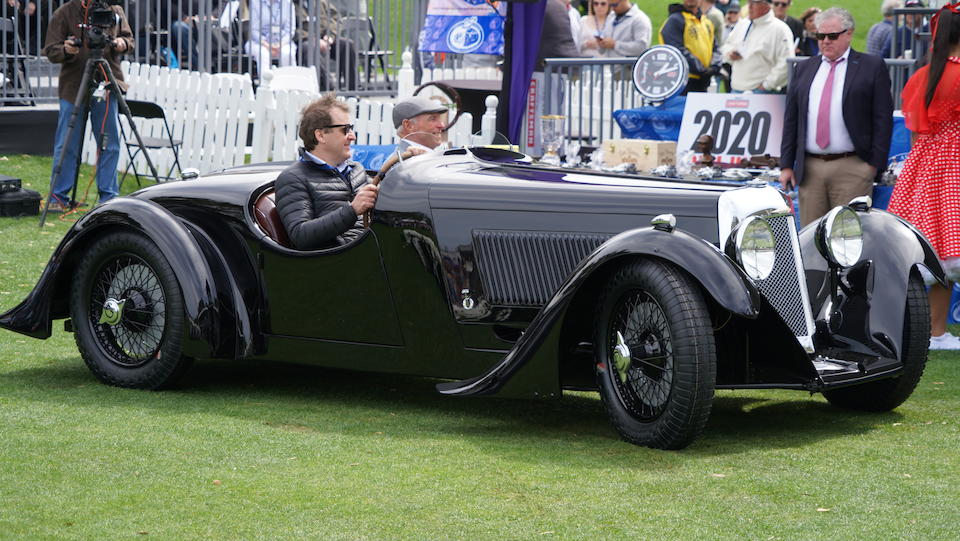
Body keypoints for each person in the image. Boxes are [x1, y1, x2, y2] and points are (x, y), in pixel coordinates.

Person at [887, 3, 960, 349]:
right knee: (949, 248)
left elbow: (916, 132)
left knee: (930, 246)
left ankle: (927, 331)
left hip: (924, 167)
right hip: (952, 164)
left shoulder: (923, 75)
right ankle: (937, 331)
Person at [779, 7, 894, 226]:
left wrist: (872, 166)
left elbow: (883, 119)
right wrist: (786, 165)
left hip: (852, 166)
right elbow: (792, 119)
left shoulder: (871, 67)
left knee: (847, 238)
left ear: (849, 33)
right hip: (810, 168)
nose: (825, 41)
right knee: (810, 238)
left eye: (832, 36)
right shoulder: (804, 68)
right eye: (820, 36)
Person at [41, 0, 134, 210]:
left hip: (106, 83)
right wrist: (65, 50)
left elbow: (130, 40)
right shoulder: (64, 12)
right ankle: (58, 197)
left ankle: (108, 199)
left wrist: (122, 43)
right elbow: (50, 49)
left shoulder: (115, 11)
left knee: (109, 143)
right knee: (67, 143)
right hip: (73, 87)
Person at [275, 94, 377, 250]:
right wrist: (352, 210)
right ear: (320, 135)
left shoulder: (356, 169)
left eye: (351, 129)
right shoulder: (293, 178)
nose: (352, 136)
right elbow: (300, 235)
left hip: (371, 250)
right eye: (345, 129)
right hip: (340, 262)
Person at [720, 0, 794, 93]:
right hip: (736, 90)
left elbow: (786, 62)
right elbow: (726, 45)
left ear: (766, 5)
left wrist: (766, 85)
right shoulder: (743, 24)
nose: (749, 7)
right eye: (749, 2)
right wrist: (729, 53)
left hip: (764, 92)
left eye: (754, 3)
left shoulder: (780, 29)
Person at [659, 0, 720, 93]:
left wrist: (714, 67)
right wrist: (702, 70)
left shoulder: (706, 22)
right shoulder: (675, 20)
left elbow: (715, 48)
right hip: (681, 82)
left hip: (702, 81)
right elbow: (676, 51)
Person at [245, 0, 297, 72]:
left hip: (282, 42)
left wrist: (279, 45)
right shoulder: (255, 2)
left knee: (287, 53)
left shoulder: (288, 3)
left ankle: (288, 81)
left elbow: (290, 30)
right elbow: (254, 30)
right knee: (263, 54)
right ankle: (265, 82)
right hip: (259, 42)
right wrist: (267, 45)